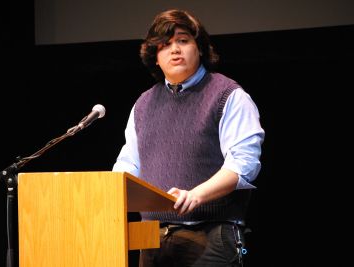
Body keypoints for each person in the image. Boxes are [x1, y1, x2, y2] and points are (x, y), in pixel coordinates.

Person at [112, 9, 265, 267]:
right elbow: (129, 165)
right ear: (155, 58)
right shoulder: (143, 104)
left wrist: (197, 194)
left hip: (212, 233)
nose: (174, 49)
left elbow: (243, 164)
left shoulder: (228, 95)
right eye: (164, 45)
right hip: (151, 236)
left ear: (200, 48)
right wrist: (106, 192)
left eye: (183, 40)